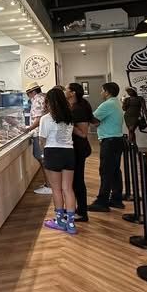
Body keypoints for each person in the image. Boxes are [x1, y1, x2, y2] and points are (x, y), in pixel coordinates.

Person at [38, 87, 77, 234]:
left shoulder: (45, 118)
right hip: (69, 152)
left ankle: (60, 221)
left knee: (56, 189)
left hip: (52, 152)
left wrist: (43, 154)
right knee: (68, 188)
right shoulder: (69, 117)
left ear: (49, 102)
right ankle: (71, 224)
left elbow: (42, 141)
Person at [89, 82, 125, 212]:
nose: (100, 93)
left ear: (107, 92)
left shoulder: (107, 104)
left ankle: (102, 201)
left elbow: (93, 119)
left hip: (109, 141)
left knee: (105, 171)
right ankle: (116, 199)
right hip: (116, 140)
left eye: (102, 90)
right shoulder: (115, 103)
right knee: (115, 171)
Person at [66, 82, 93, 222]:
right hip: (75, 148)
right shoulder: (75, 107)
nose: (65, 91)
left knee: (78, 181)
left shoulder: (79, 109)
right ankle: (78, 209)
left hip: (79, 148)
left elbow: (83, 133)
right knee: (75, 181)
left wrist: (68, 125)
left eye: (67, 89)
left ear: (73, 93)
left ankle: (82, 212)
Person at [25, 81, 52, 195]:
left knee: (42, 158)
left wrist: (28, 128)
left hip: (39, 133)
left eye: (28, 93)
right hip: (46, 132)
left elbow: (38, 119)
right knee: (44, 159)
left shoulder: (37, 100)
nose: (28, 96)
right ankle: (49, 183)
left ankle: (49, 185)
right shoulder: (44, 97)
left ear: (32, 92)